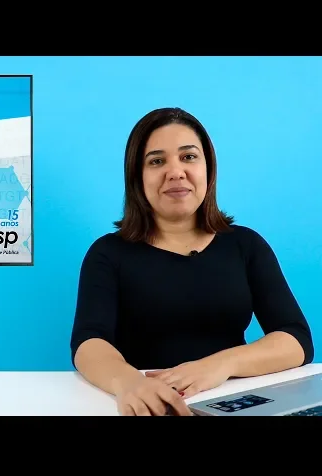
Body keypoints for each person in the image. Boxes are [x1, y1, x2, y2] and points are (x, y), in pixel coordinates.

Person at [70, 107, 314, 416]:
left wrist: (219, 365)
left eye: (188, 157)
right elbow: (89, 342)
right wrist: (128, 383)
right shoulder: (107, 253)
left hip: (231, 401)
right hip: (149, 404)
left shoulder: (246, 245)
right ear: (137, 177)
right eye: (156, 161)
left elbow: (295, 339)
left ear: (208, 169)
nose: (175, 172)